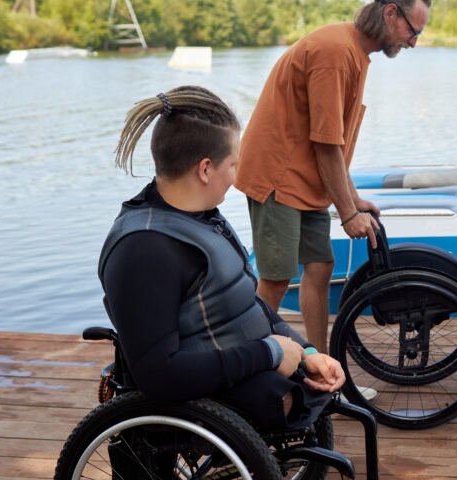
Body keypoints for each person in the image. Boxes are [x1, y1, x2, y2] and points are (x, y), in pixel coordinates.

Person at [99, 85, 344, 429]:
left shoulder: (201, 217)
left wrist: (307, 351)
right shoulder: (144, 249)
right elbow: (159, 375)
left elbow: (246, 303)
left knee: (320, 393)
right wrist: (271, 353)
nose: (236, 176)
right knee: (300, 401)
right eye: (233, 164)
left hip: (240, 363)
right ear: (205, 169)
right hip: (198, 397)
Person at [235, 0, 432, 353]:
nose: (413, 42)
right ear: (391, 13)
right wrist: (347, 213)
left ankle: (319, 362)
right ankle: (247, 363)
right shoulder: (336, 52)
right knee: (275, 278)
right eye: (413, 31)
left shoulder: (357, 52)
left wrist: (353, 198)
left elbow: (336, 142)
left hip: (308, 177)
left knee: (321, 264)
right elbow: (325, 143)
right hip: (277, 176)